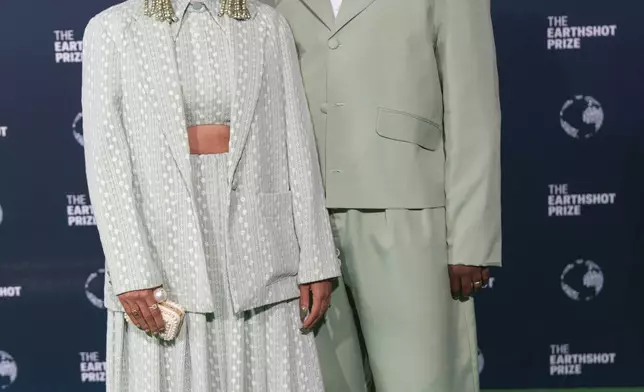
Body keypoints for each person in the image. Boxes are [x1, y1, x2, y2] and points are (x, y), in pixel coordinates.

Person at [81, 0, 341, 390]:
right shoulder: (113, 29)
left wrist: (317, 257)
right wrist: (131, 269)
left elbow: (297, 141)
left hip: (262, 249)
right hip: (162, 249)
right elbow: (105, 158)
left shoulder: (267, 25)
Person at [269, 0, 502, 391]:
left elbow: (473, 109)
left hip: (408, 213)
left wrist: (471, 241)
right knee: (323, 381)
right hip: (303, 222)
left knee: (421, 380)